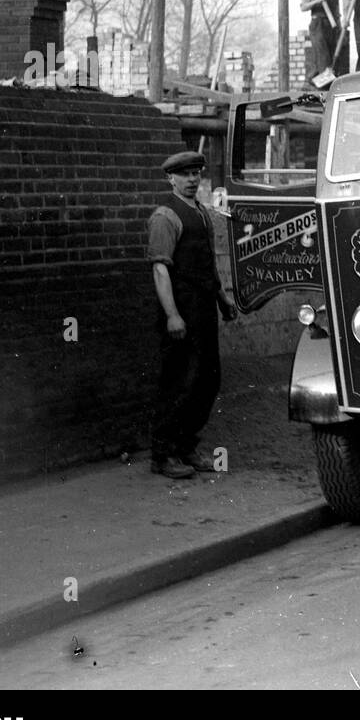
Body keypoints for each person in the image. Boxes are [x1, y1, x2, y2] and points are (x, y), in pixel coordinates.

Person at [146, 151, 237, 479]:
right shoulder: (165, 216)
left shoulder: (201, 213)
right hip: (181, 311)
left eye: (196, 173)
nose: (192, 180)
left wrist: (223, 299)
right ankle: (163, 455)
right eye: (184, 175)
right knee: (178, 383)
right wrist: (172, 315)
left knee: (206, 380)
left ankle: (186, 447)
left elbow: (208, 265)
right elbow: (160, 268)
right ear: (171, 179)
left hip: (203, 310)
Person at [301, 0, 348, 89]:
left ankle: (316, 85)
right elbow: (303, 7)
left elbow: (337, 13)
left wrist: (340, 29)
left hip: (332, 27)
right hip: (318, 25)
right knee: (323, 58)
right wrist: (316, 1)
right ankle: (323, 89)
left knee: (333, 58)